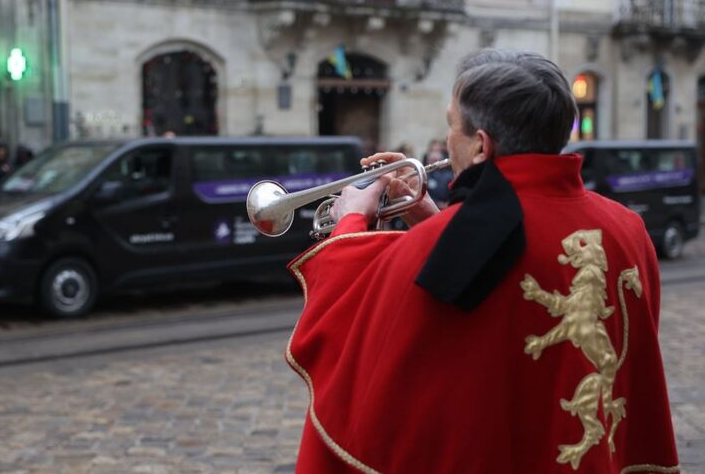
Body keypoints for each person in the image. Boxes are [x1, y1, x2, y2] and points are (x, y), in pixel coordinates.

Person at [286, 49, 678, 472]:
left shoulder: (435, 246)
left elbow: (351, 323)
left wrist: (351, 220)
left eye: (452, 125)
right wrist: (436, 221)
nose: (448, 140)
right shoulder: (627, 228)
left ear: (480, 145)